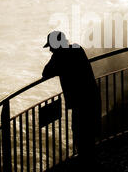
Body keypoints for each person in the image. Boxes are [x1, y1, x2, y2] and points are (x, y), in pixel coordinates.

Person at [42, 31, 101, 163]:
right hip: (91, 96)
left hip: (79, 102)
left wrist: (56, 56)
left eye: (51, 46)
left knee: (80, 133)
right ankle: (91, 162)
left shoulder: (59, 57)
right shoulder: (77, 49)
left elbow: (45, 72)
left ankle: (86, 166)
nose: (50, 49)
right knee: (89, 133)